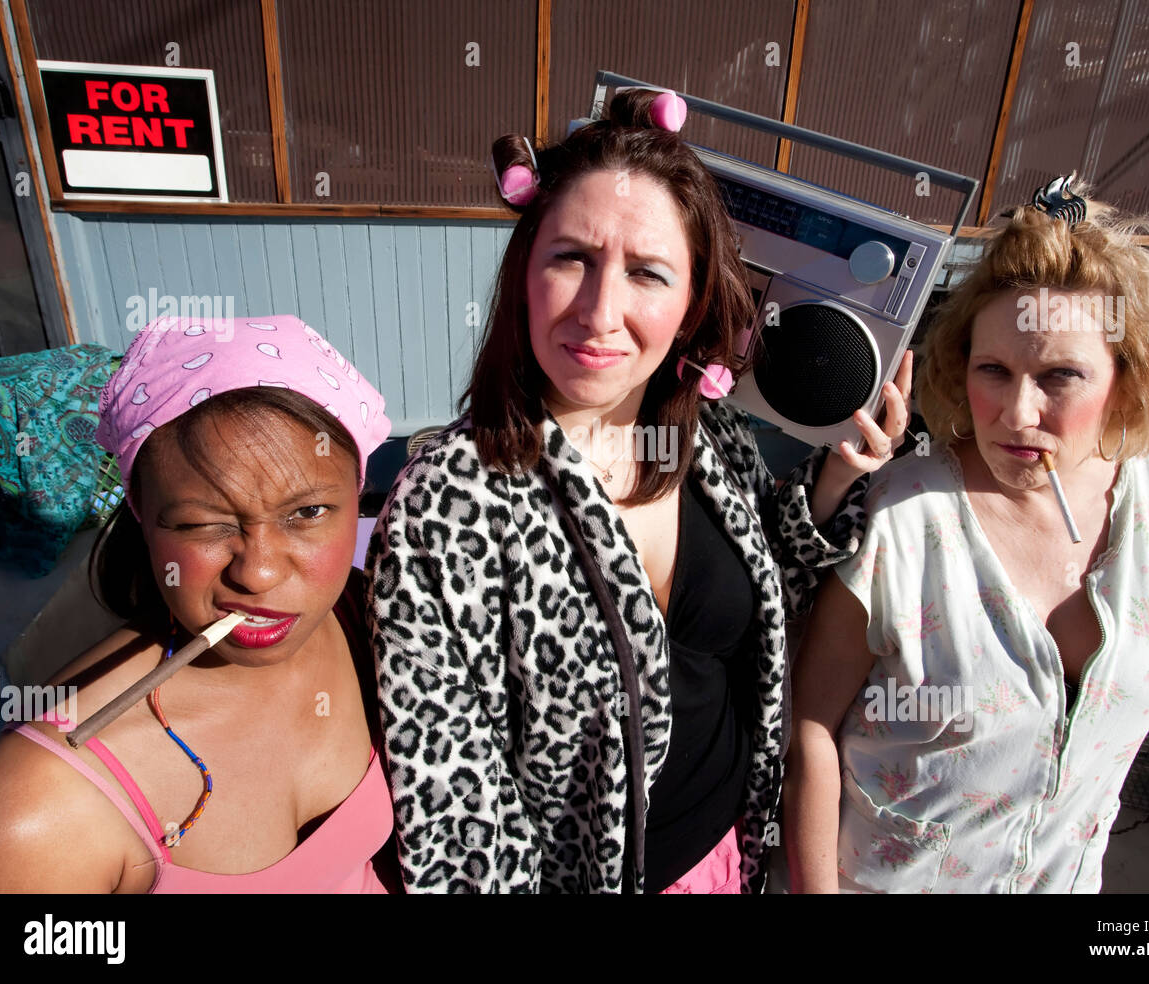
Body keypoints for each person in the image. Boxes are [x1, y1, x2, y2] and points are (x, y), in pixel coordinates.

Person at [365, 88, 911, 894]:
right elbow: (456, 817)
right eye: (571, 259)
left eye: (648, 273)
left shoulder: (707, 439)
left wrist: (839, 476)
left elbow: (766, 614)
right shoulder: (445, 505)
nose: (600, 311)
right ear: (524, 275)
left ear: (692, 304)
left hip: (730, 857)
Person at [784, 180, 1149, 893]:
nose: (1017, 411)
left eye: (1060, 376)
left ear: (1127, 381)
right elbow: (809, 728)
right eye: (993, 371)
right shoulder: (900, 515)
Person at [0, 315, 398, 893]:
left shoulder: (365, 623)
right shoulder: (41, 809)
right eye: (203, 523)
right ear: (142, 515)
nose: (260, 572)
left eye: (307, 513)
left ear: (358, 497)